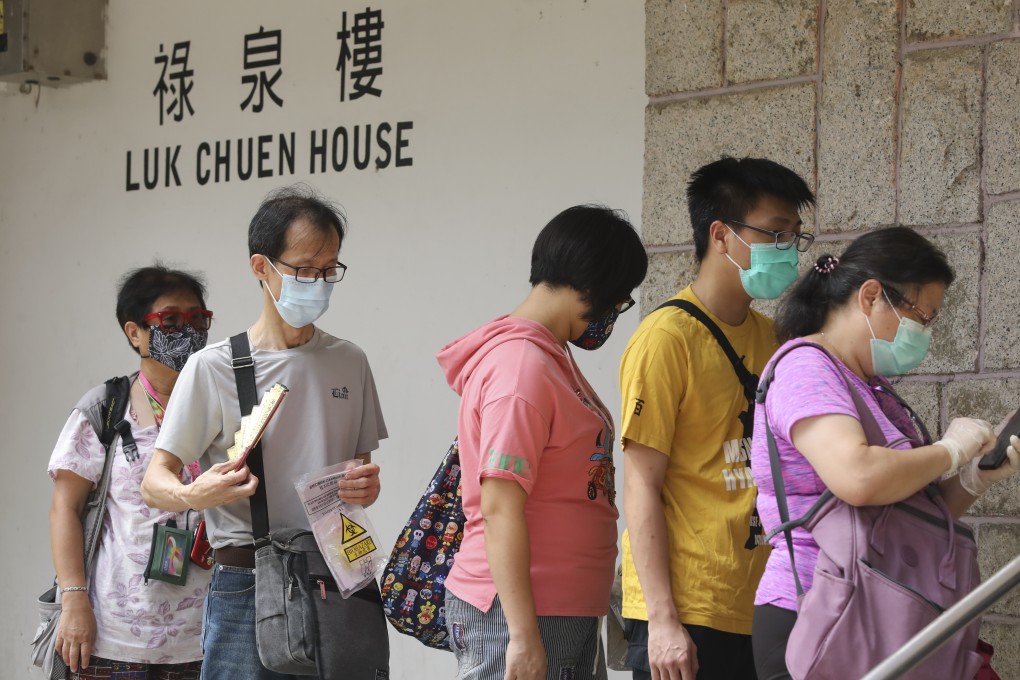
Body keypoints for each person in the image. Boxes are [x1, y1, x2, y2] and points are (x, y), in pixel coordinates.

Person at [140, 186, 388, 680]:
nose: (318, 282)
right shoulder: (213, 368)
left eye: (329, 269)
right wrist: (194, 493)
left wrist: (367, 486)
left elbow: (360, 472)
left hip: (340, 569)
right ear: (262, 267)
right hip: (247, 579)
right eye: (303, 269)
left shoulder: (350, 361)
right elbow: (154, 480)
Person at [750, 226, 1020, 679]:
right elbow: (859, 478)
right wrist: (949, 450)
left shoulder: (873, 388)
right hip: (822, 616)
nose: (924, 334)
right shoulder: (805, 368)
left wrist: (975, 475)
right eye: (922, 316)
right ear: (871, 296)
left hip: (879, 610)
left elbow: (909, 511)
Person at [619, 156, 816, 680]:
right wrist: (662, 621)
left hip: (761, 603)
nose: (789, 249)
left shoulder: (773, 339)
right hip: (688, 611)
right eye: (775, 233)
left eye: (796, 236)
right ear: (721, 235)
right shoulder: (666, 339)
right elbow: (640, 483)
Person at [437, 205, 648, 680]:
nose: (616, 310)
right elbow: (499, 505)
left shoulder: (548, 354)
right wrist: (523, 636)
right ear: (595, 286)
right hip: (523, 613)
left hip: (555, 607)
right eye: (620, 296)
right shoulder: (521, 367)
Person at [48, 265, 213, 680]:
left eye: (198, 319)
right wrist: (73, 602)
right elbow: (64, 510)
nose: (187, 331)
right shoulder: (105, 408)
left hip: (209, 638)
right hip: (113, 639)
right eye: (170, 320)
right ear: (135, 332)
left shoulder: (225, 406)